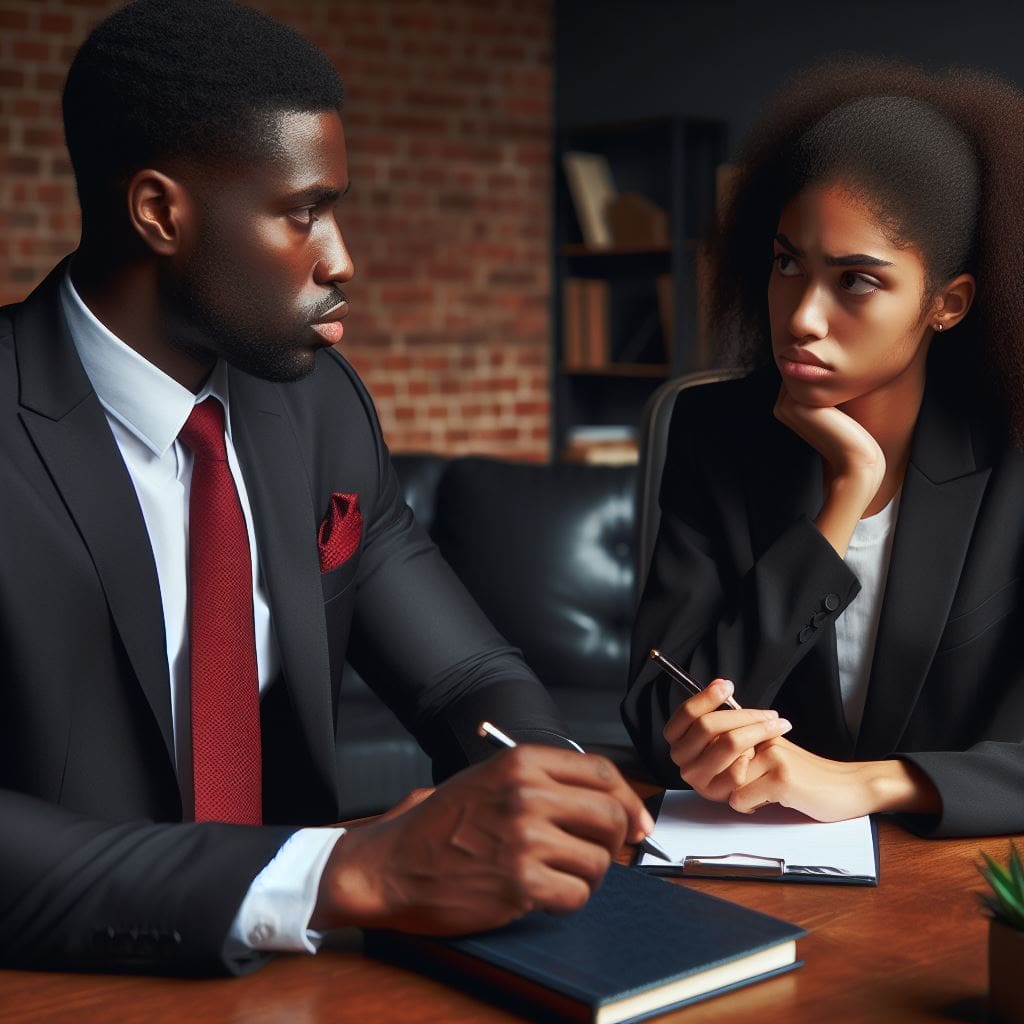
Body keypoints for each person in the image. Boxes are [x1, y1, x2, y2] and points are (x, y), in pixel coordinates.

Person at [0, 0, 654, 974]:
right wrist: (337, 871)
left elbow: (464, 675)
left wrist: (541, 783)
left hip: (317, 981)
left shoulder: (317, 408)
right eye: (304, 212)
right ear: (161, 212)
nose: (341, 258)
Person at [623, 58, 1024, 838]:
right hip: (756, 878)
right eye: (786, 265)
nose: (803, 315)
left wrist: (868, 785)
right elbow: (659, 711)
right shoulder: (716, 434)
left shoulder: (1014, 455)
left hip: (956, 894)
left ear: (947, 302)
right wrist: (845, 495)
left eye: (856, 281)